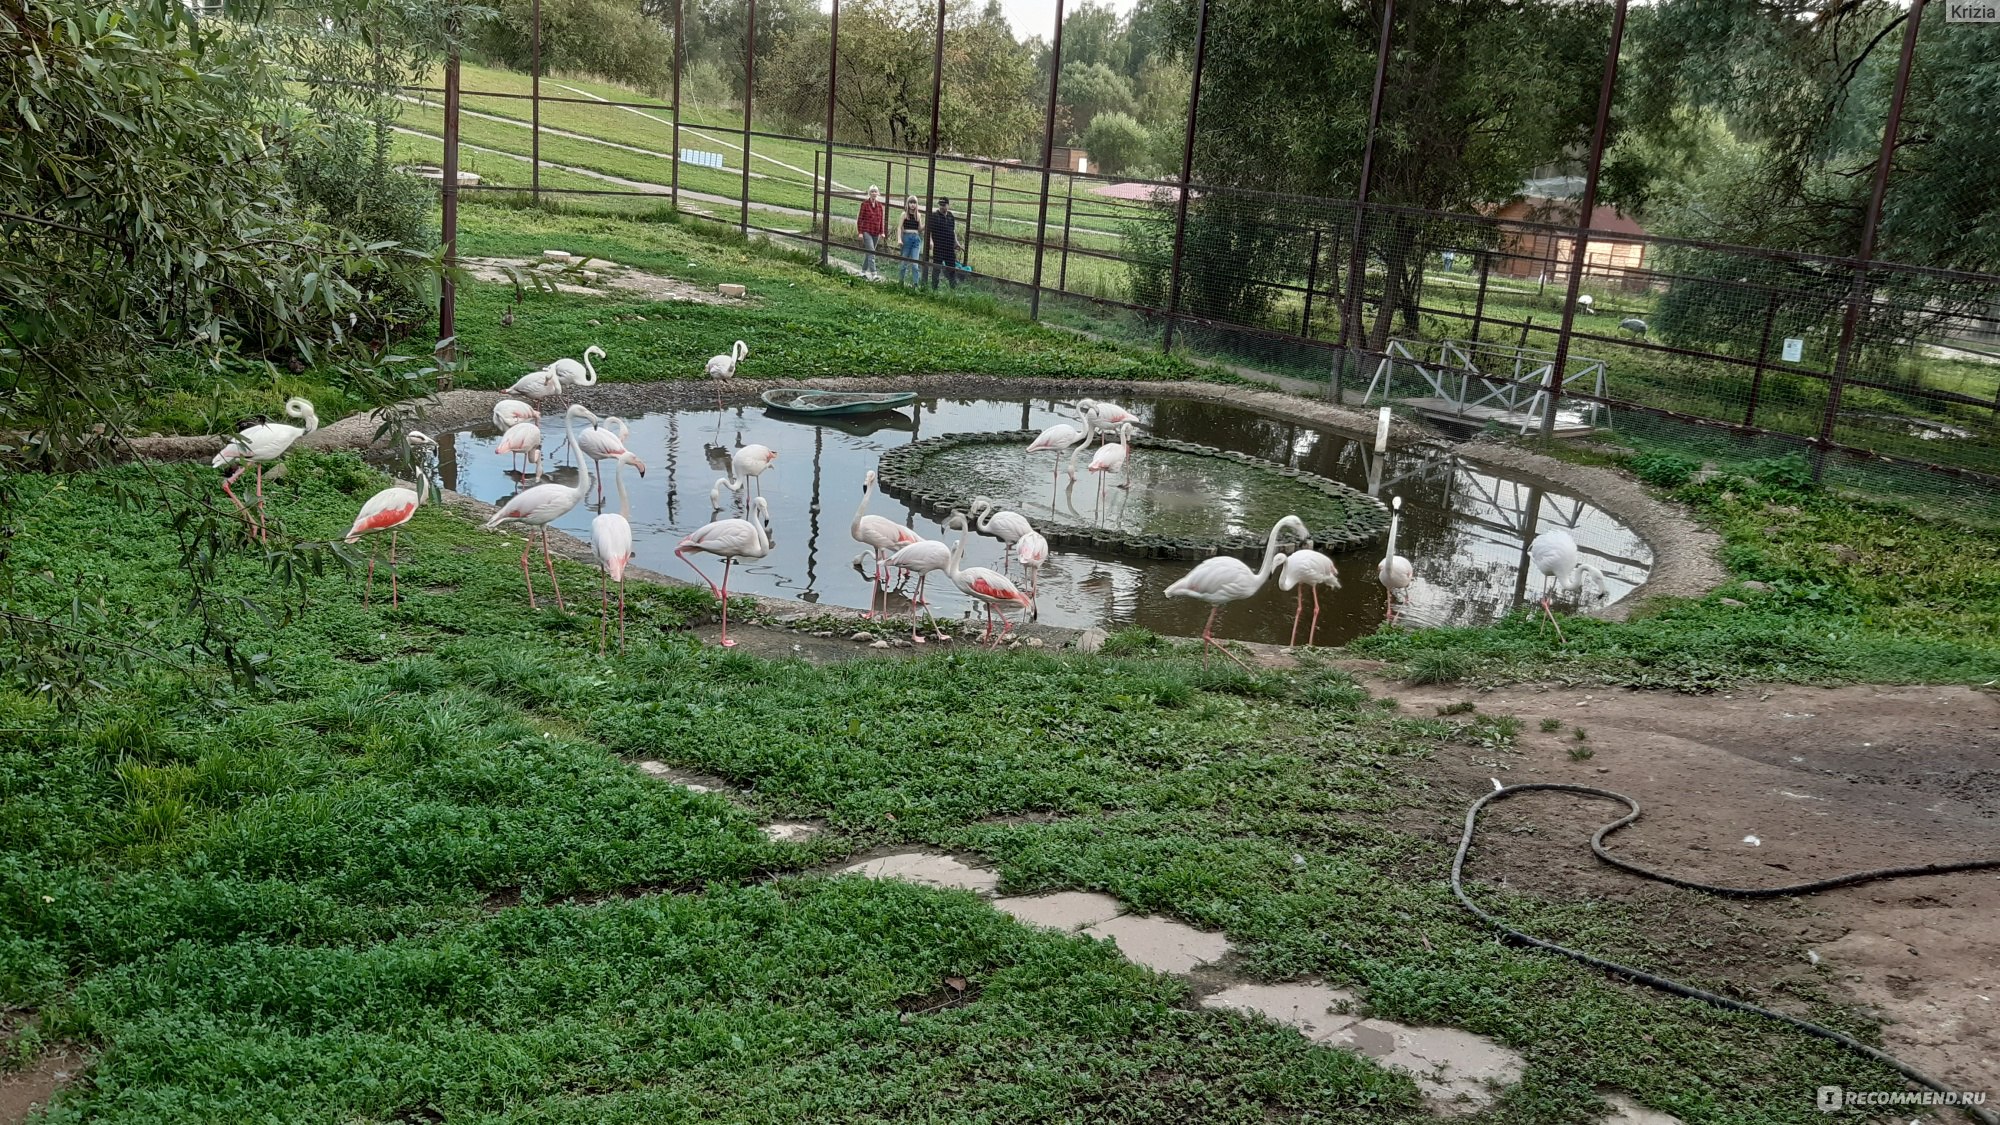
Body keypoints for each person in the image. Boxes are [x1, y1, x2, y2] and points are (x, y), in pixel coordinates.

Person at [926, 197, 959, 291]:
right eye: (940, 205)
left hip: (949, 247)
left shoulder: (951, 216)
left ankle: (953, 289)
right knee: (936, 268)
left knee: (952, 268)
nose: (941, 207)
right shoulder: (934, 216)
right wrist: (931, 241)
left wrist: (956, 242)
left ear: (948, 205)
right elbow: (930, 231)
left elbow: (953, 230)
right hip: (939, 246)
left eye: (943, 205)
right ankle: (934, 288)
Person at [856, 186, 886, 280]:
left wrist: (882, 232)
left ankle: (863, 272)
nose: (874, 193)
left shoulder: (880, 206)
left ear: (878, 193)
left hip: (876, 232)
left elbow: (881, 220)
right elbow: (860, 219)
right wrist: (860, 232)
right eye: (872, 191)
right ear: (869, 193)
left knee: (869, 253)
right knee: (872, 252)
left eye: (875, 191)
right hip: (866, 231)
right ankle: (874, 275)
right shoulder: (864, 204)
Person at [897, 196, 924, 286]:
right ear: (908, 204)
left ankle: (915, 284)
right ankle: (900, 282)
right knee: (904, 263)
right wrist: (899, 239)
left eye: (914, 203)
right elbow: (899, 227)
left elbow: (920, 229)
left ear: (916, 204)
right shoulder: (904, 214)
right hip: (906, 238)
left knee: (915, 264)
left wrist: (926, 224)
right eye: (911, 203)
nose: (912, 205)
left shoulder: (918, 215)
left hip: (916, 239)